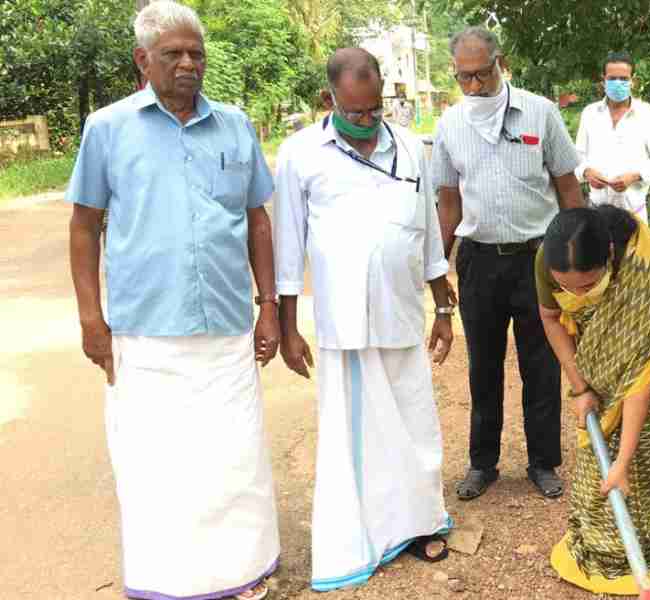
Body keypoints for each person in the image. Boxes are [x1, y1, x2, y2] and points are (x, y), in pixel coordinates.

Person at [66, 2, 279, 598]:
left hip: (226, 324)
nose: (188, 64)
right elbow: (84, 226)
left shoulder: (235, 125)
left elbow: (257, 220)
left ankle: (240, 571)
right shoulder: (107, 128)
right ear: (143, 60)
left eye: (196, 54)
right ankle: (167, 581)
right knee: (155, 463)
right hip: (145, 330)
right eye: (172, 55)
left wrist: (270, 306)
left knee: (233, 456)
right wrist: (91, 318)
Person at [272, 48, 454, 591]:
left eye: (376, 109)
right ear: (330, 100)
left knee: (415, 421)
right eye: (356, 112)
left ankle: (420, 522)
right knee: (353, 435)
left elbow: (427, 236)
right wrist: (286, 327)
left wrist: (443, 306)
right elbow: (288, 249)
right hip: (344, 323)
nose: (369, 120)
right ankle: (359, 536)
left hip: (401, 311)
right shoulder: (301, 153)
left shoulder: (408, 148)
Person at [432, 26, 586, 500]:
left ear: (501, 63)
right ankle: (483, 463)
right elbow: (448, 203)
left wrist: (577, 259)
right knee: (484, 364)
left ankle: (543, 463)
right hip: (479, 260)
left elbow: (567, 189)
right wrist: (438, 268)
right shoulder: (450, 125)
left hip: (538, 259)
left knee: (541, 362)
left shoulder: (540, 113)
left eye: (483, 74)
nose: (475, 86)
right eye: (465, 78)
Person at [537, 206, 650, 595]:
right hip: (602, 352)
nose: (577, 295)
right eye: (568, 287)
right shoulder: (548, 257)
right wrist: (581, 387)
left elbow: (638, 385)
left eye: (587, 285)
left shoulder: (644, 280)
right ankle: (605, 544)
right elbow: (549, 316)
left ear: (609, 255)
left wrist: (622, 465)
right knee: (601, 446)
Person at [574, 51, 650, 222]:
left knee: (635, 250)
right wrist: (587, 172)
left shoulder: (646, 113)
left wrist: (634, 176)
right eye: (612, 78)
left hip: (633, 213)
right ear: (603, 81)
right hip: (597, 212)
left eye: (623, 79)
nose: (617, 83)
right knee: (596, 249)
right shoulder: (590, 113)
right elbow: (577, 156)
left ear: (633, 81)